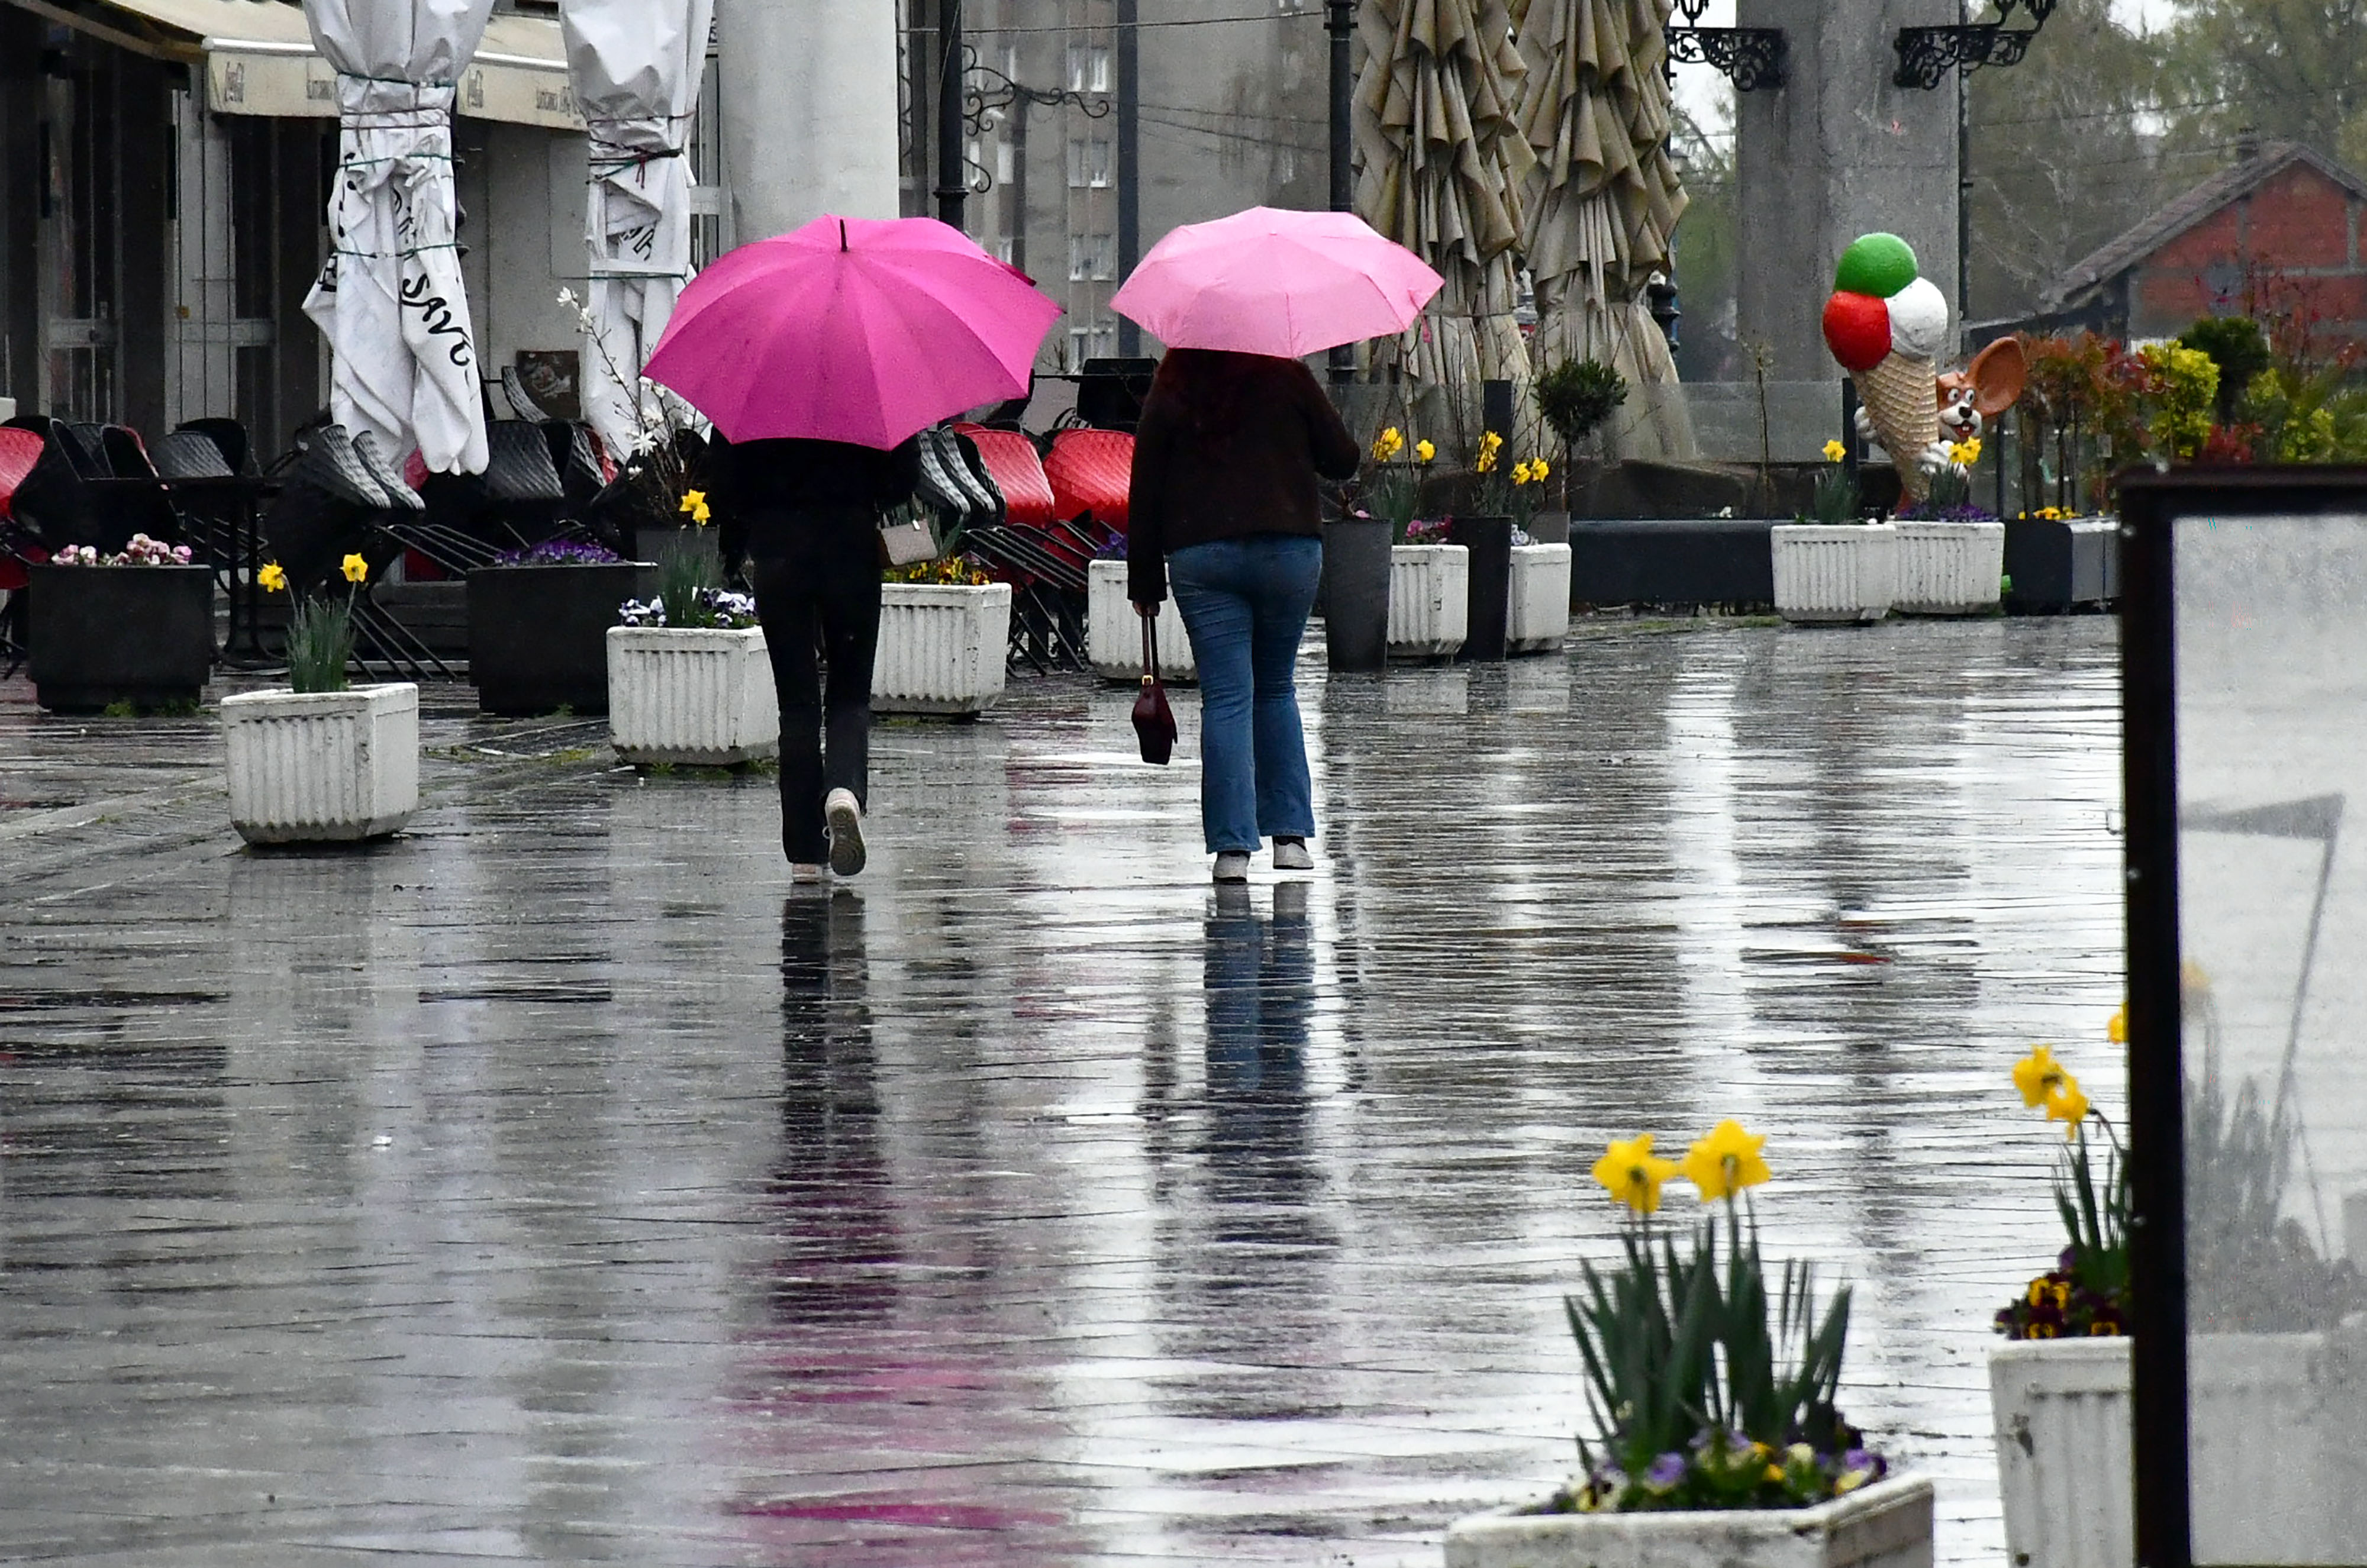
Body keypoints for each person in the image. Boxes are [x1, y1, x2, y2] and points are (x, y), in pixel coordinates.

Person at [1128, 349, 1359, 883]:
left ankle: (1232, 851)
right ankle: (1290, 840)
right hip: (1287, 550)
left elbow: (1146, 483)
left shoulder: (1175, 380)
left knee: (1227, 696)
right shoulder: (1287, 373)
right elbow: (1342, 458)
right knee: (1276, 688)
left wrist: (1145, 580)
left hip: (1203, 555)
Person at [709, 431, 920, 880]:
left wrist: (764, 511)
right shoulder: (867, 380)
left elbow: (724, 483)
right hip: (851, 549)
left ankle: (806, 852)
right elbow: (904, 478)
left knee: (796, 702)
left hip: (779, 552)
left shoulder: (755, 383)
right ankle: (843, 790)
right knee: (849, 693)